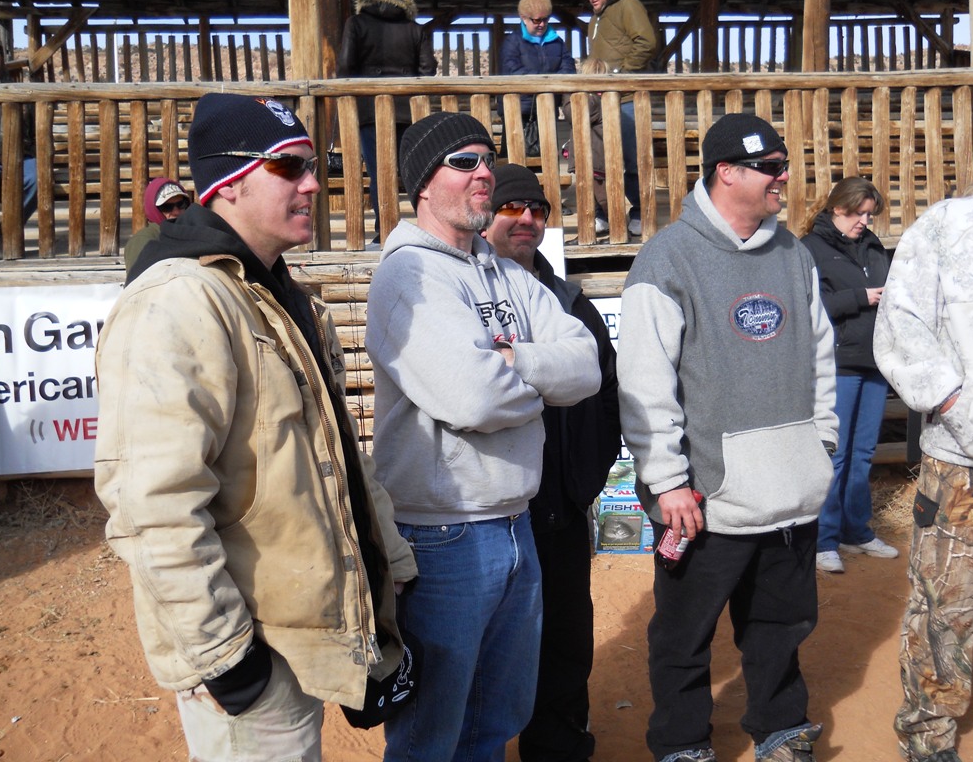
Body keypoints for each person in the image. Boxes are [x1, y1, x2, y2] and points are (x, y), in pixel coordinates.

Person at [95, 93, 417, 762]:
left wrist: (394, 579)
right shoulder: (179, 301)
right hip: (250, 653)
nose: (311, 184)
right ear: (229, 183)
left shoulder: (278, 294)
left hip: (301, 632)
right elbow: (152, 505)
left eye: (314, 166)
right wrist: (228, 661)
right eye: (288, 167)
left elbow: (338, 460)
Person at [365, 112, 602, 762]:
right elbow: (468, 397)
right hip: (442, 537)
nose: (484, 173)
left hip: (514, 522)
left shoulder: (503, 272)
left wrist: (513, 361)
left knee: (494, 722)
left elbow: (584, 365)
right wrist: (532, 377)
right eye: (464, 162)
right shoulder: (407, 276)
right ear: (423, 183)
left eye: (486, 160)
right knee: (431, 734)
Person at [618, 113, 838, 762]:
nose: (784, 177)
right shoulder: (668, 258)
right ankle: (683, 743)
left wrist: (820, 445)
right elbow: (644, 382)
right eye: (771, 166)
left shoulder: (792, 253)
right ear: (727, 173)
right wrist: (668, 481)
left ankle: (780, 728)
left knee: (780, 628)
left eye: (782, 163)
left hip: (789, 490)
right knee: (682, 636)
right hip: (703, 500)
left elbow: (821, 355)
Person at [874, 109, 973, 762]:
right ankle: (928, 741)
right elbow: (900, 325)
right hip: (968, 467)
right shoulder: (944, 232)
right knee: (943, 617)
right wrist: (956, 402)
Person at [485, 164, 622, 762]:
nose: (527, 220)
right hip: (486, 511)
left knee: (565, 639)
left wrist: (579, 485)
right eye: (512, 208)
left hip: (559, 509)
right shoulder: (467, 297)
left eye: (537, 209)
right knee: (481, 642)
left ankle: (558, 747)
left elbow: (606, 396)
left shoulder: (571, 304)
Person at [802, 177, 898, 574]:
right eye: (858, 213)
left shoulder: (874, 246)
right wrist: (861, 297)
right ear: (837, 208)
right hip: (837, 364)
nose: (864, 221)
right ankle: (824, 540)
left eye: (869, 214)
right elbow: (808, 306)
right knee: (835, 456)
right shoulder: (809, 248)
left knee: (862, 454)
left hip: (875, 360)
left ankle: (856, 531)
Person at [337, 0, 437, 243]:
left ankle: (385, 230)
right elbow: (428, 69)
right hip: (408, 110)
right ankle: (426, 228)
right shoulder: (415, 29)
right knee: (416, 171)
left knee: (379, 171)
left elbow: (345, 66)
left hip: (370, 109)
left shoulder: (356, 24)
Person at [585, 0, 658, 237]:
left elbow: (646, 42)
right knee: (600, 160)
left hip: (627, 98)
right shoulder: (595, 19)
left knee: (634, 158)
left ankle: (639, 212)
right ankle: (605, 214)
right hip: (604, 99)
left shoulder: (628, 4)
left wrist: (620, 73)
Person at [0, 30, 37, 258]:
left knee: (38, 178)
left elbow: (30, 130)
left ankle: (7, 230)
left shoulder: (15, 88)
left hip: (18, 158)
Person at [498, 0, 575, 154]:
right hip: (518, 112)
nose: (542, 24)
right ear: (524, 18)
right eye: (536, 20)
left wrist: (548, 82)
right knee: (515, 160)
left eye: (545, 19)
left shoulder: (557, 42)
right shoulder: (512, 42)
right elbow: (512, 70)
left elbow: (568, 65)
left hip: (547, 110)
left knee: (547, 158)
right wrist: (548, 81)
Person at [561, 57, 611, 235]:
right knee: (594, 193)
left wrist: (568, 94)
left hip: (593, 157)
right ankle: (603, 219)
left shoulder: (593, 101)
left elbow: (572, 114)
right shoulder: (601, 99)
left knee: (600, 194)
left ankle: (612, 219)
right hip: (593, 154)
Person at [123, 177, 191, 274]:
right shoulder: (143, 241)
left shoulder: (189, 234)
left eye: (181, 205)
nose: (176, 212)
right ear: (153, 210)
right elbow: (139, 283)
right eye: (167, 207)